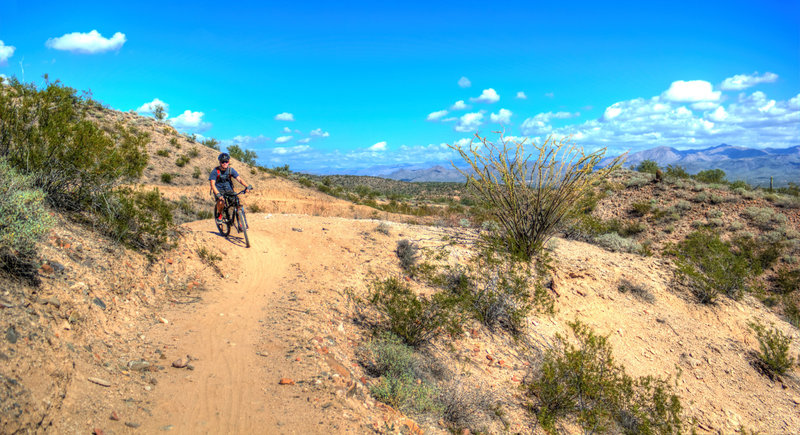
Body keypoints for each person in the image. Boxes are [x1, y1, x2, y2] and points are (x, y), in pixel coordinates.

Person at [209, 152, 253, 224]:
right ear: (220, 162)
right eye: (223, 162)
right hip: (218, 190)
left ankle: (241, 223)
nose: (225, 163)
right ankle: (220, 214)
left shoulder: (230, 170)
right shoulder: (215, 171)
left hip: (228, 189)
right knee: (221, 201)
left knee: (237, 203)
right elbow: (212, 185)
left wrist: (247, 186)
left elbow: (239, 179)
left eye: (226, 161)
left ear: (228, 162)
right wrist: (218, 195)